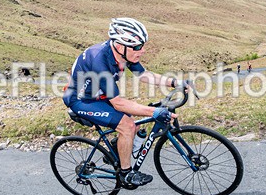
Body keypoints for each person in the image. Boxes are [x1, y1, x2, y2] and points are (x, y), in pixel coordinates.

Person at [62, 18, 186, 186]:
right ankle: (126, 174)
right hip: (81, 100)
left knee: (136, 125)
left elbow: (144, 75)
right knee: (127, 126)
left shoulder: (122, 54)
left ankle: (115, 150)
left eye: (142, 46)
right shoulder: (100, 59)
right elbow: (118, 103)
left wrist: (174, 82)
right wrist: (154, 112)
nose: (142, 51)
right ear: (120, 46)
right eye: (137, 47)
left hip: (99, 95)